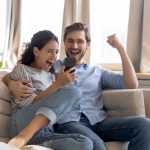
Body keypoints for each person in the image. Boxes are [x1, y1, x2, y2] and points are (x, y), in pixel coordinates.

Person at [3, 22, 150, 150]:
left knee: (144, 125)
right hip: (68, 122)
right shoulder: (53, 66)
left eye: (80, 41)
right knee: (97, 144)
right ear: (65, 43)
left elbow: (132, 83)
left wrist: (120, 49)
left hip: (98, 121)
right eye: (70, 41)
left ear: (87, 45)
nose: (74, 46)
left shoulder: (98, 72)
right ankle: (24, 137)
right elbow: (22, 70)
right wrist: (11, 82)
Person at [5, 30, 93, 150]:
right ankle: (22, 137)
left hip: (43, 132)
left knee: (86, 144)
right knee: (75, 91)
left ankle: (33, 145)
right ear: (36, 51)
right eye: (49, 51)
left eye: (56, 52)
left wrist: (60, 85)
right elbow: (26, 103)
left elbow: (55, 107)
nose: (54, 57)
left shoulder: (50, 76)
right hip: (21, 122)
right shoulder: (22, 69)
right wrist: (57, 85)